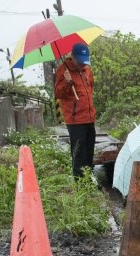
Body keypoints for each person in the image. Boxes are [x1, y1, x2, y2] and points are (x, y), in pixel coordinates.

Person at [54, 43, 96, 178]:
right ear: (72, 57)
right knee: (79, 153)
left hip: (89, 117)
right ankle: (79, 184)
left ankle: (88, 180)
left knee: (89, 152)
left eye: (85, 61)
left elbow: (90, 89)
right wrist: (67, 82)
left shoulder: (87, 70)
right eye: (80, 61)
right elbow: (58, 93)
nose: (83, 64)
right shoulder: (63, 70)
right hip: (75, 120)